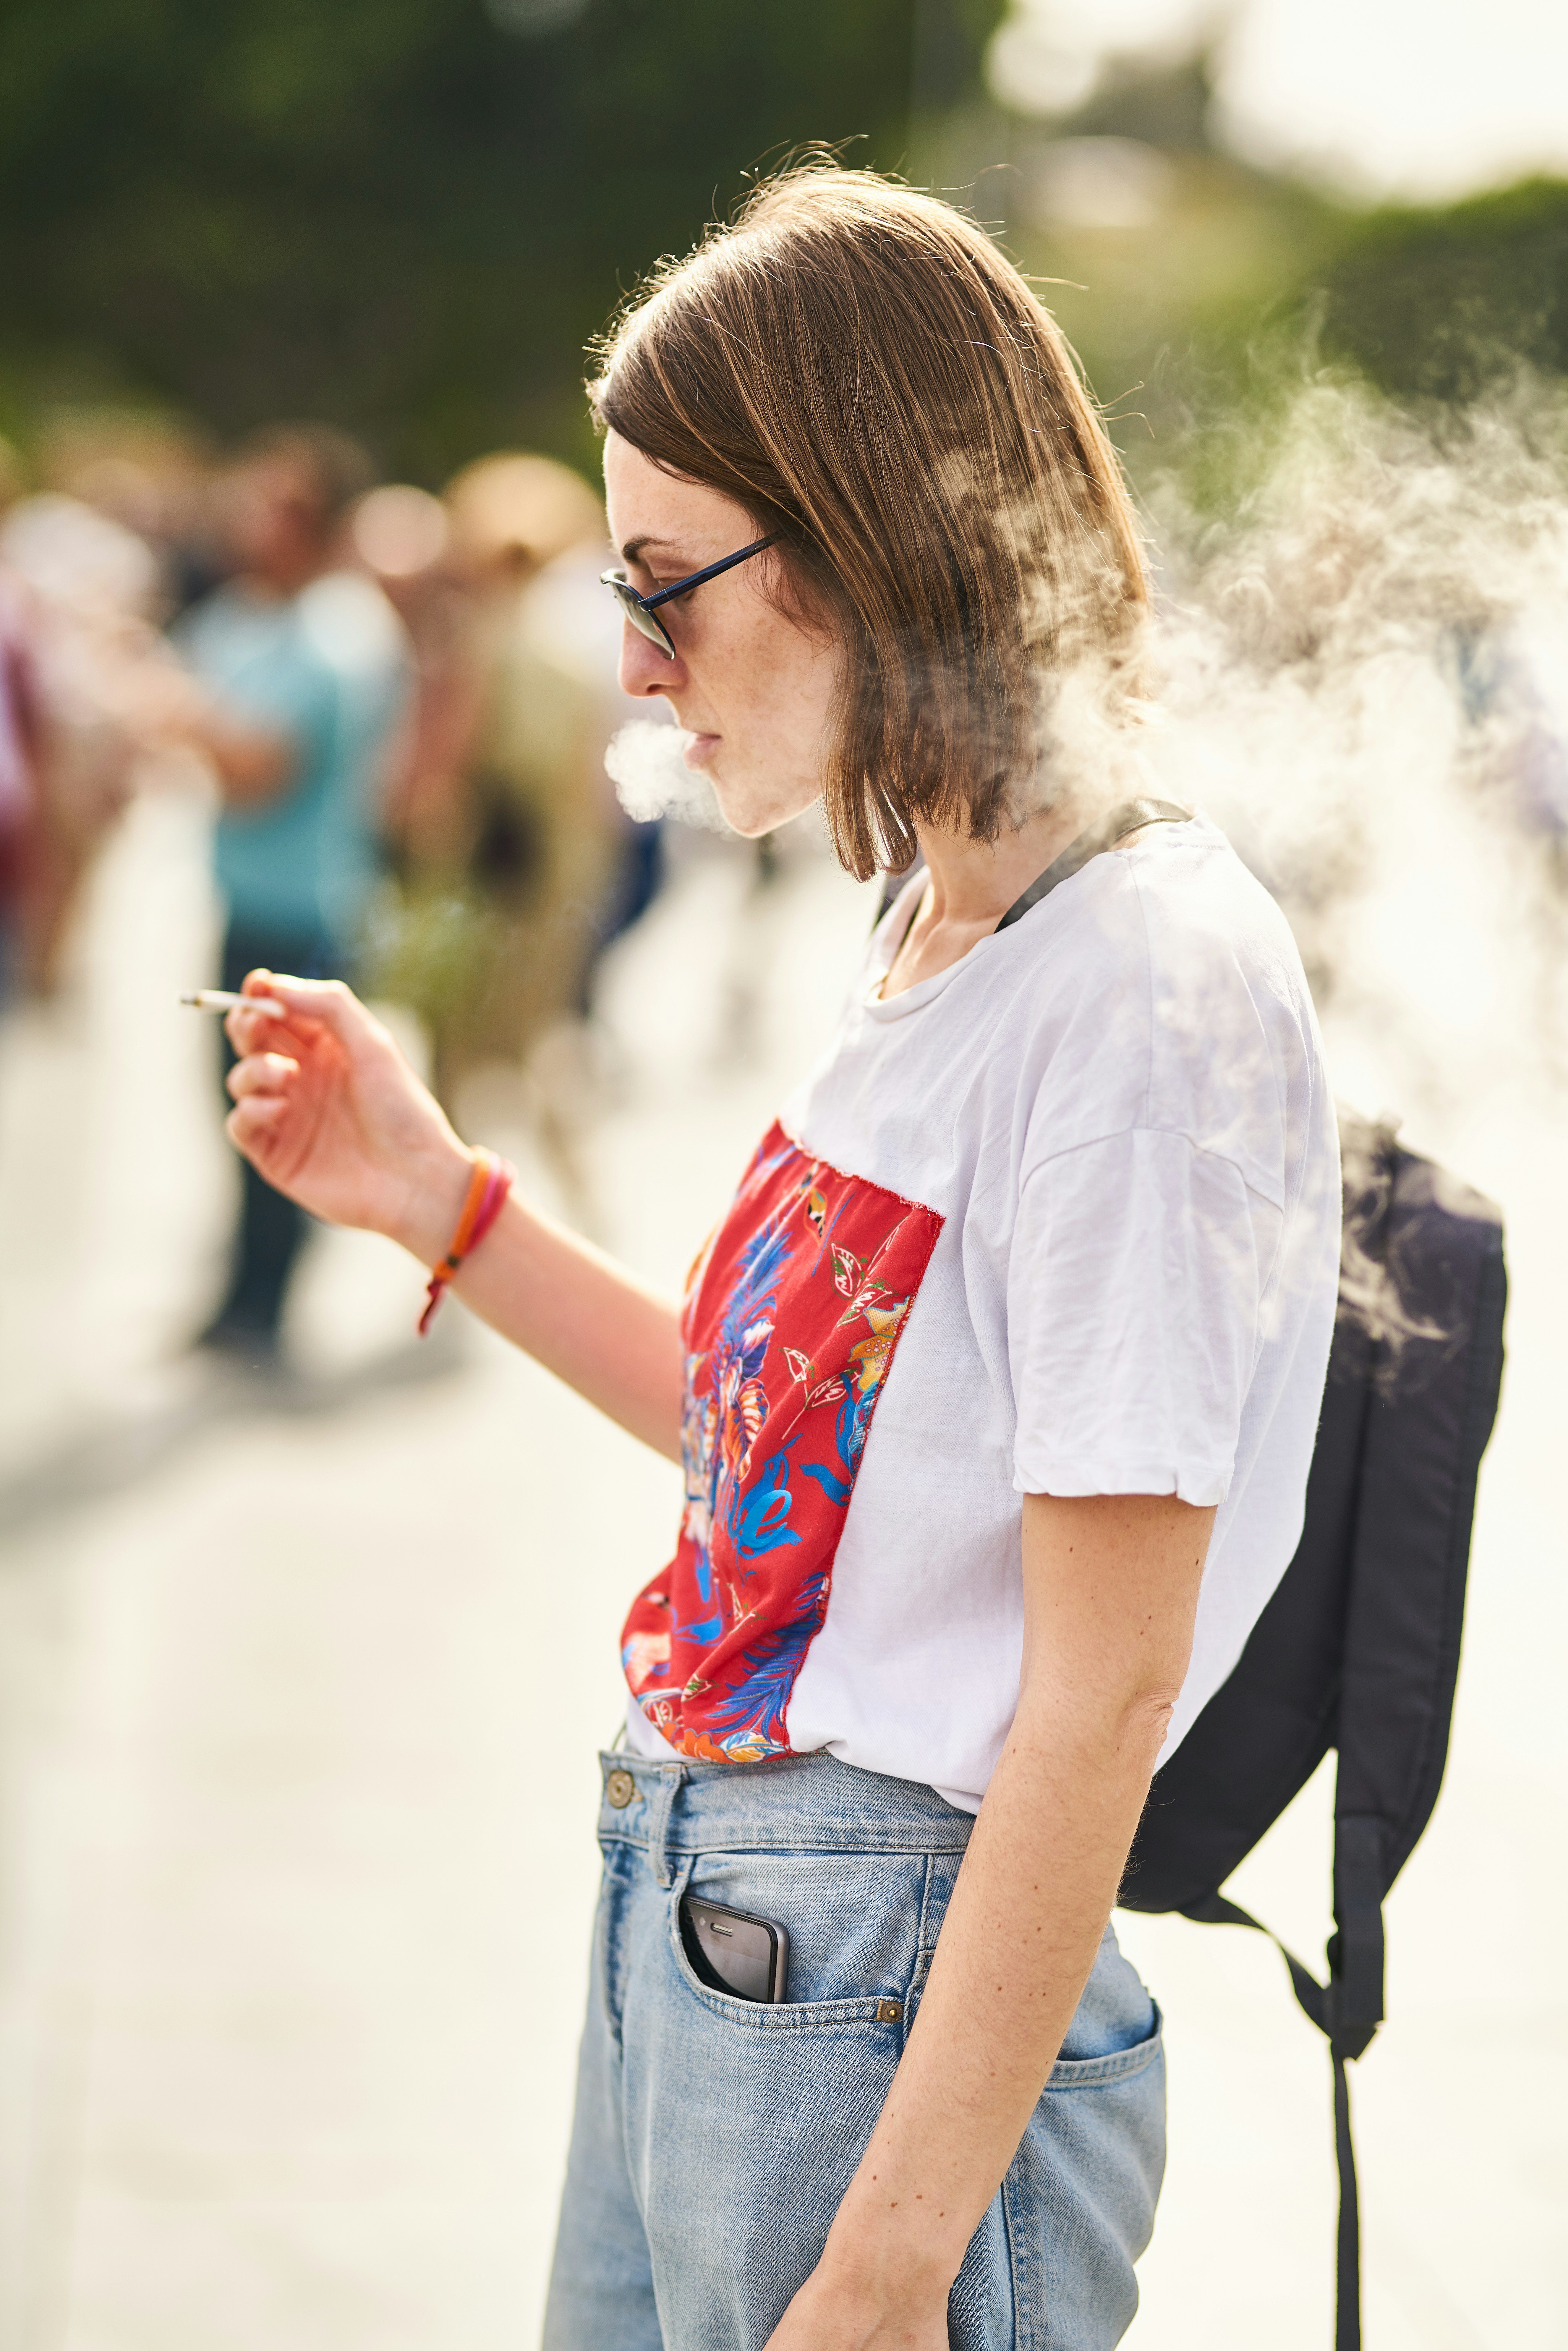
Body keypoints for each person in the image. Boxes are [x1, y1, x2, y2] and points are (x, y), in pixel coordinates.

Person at [218, 169, 1340, 2349]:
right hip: (722, 1937)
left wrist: (895, 2257)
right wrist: (438, 1194)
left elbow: (1098, 1691)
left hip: (883, 1997)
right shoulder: (935, 908)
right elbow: (779, 1457)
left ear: (868, 534)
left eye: (670, 588)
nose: (634, 660)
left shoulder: (1141, 983)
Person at [176, 424, 408, 1360]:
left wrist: (184, 716)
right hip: (258, 901)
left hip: (307, 911)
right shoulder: (273, 616)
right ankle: (245, 1294)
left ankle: (260, 1308)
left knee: (274, 1111)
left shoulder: (336, 635)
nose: (254, 522)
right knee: (237, 1105)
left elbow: (257, 766)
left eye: (281, 506)